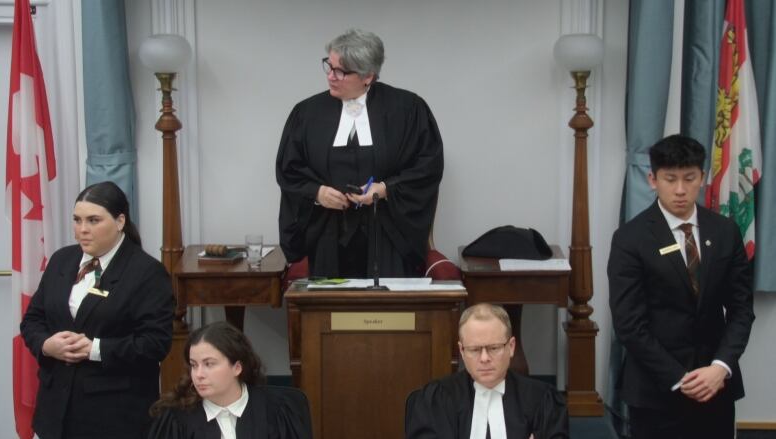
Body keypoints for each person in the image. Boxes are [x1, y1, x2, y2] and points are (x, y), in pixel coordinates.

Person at [607, 134, 755, 438]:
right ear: (652, 179)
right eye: (669, 179)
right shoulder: (630, 239)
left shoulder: (725, 231)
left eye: (689, 178)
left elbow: (741, 309)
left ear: (702, 178)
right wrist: (679, 377)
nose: (679, 190)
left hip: (716, 386)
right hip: (656, 392)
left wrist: (720, 366)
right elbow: (629, 324)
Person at [276, 28, 444, 278]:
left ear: (368, 76)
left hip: (388, 236)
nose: (331, 76)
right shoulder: (307, 113)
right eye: (329, 66)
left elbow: (428, 166)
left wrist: (387, 188)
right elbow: (289, 169)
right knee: (331, 314)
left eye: (341, 71)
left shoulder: (408, 110)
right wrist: (317, 193)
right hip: (327, 236)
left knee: (385, 314)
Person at [20, 181, 175, 439]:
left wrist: (94, 349)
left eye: (93, 220)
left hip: (113, 418)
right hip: (54, 414)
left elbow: (155, 343)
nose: (83, 230)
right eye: (77, 220)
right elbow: (32, 320)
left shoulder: (147, 273)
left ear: (120, 221)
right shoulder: (61, 260)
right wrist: (47, 345)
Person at [405, 303, 568, 439]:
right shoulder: (437, 399)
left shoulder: (542, 400)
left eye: (494, 348)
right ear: (462, 351)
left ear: (511, 347)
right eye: (474, 349)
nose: (484, 358)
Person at [148, 321, 312, 439]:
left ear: (237, 367)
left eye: (209, 364)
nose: (198, 374)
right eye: (194, 365)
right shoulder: (175, 419)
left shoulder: (280, 409)